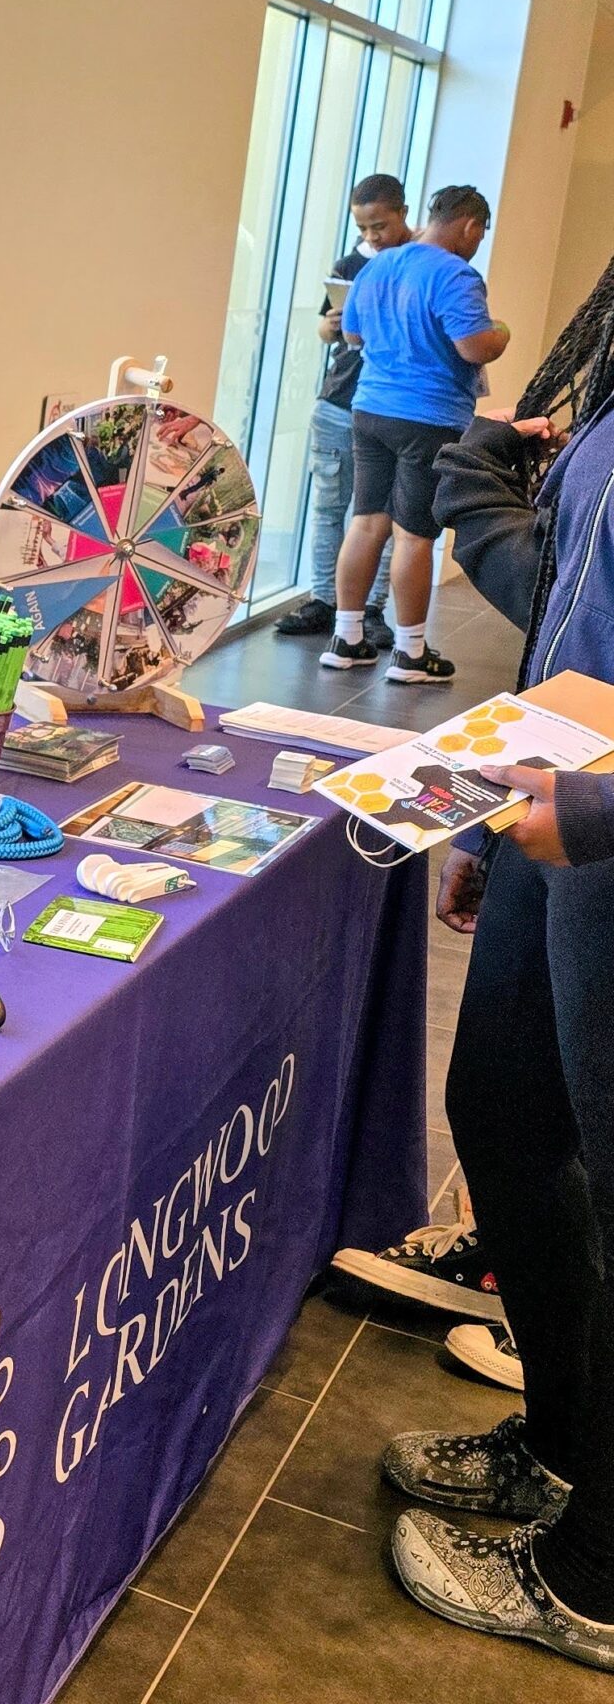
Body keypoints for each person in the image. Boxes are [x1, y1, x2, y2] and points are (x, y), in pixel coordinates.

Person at [365, 285, 614, 1667]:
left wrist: (582, 820)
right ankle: (564, 1446)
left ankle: (593, 1578)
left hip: (598, 831)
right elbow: (578, 605)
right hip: (560, 814)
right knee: (508, 1117)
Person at [323, 183, 511, 685]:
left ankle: (347, 639)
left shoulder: (379, 265)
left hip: (370, 409)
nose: (478, 242)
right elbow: (475, 348)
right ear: (471, 225)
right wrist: (501, 332)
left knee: (365, 523)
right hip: (427, 418)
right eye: (480, 233)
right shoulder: (456, 274)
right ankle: (409, 653)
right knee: (414, 535)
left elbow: (353, 335)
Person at [275, 173, 407, 645]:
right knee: (329, 505)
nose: (372, 237)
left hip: (392, 406)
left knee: (380, 515)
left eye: (380, 226)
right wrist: (332, 326)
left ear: (403, 214)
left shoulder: (417, 264)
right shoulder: (349, 264)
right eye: (364, 228)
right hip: (339, 400)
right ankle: (324, 599)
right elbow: (323, 331)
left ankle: (370, 608)